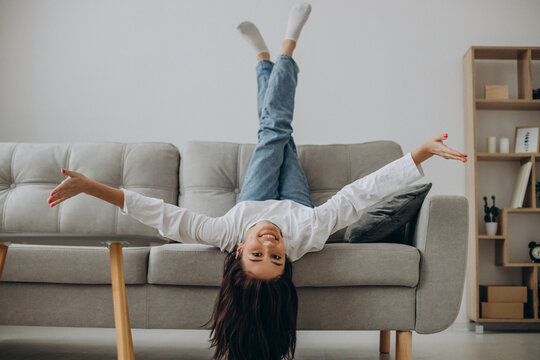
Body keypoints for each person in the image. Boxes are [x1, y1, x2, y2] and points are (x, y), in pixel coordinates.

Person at [47, 3, 467, 359]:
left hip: (256, 194)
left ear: (236, 253)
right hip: (297, 202)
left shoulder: (224, 231)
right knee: (279, 130)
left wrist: (91, 186)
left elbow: (161, 215)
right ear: (289, 260)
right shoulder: (307, 233)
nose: (269, 243)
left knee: (273, 130)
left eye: (257, 253)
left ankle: (280, 48)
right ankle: (268, 56)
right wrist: (420, 154)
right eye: (278, 257)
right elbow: (357, 196)